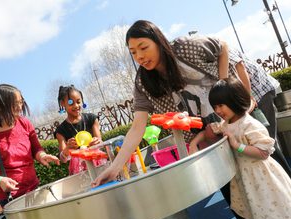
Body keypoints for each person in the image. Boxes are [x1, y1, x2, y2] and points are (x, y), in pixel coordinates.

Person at [92, 20, 232, 186]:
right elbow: (137, 127)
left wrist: (225, 89)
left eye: (143, 48)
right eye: (133, 52)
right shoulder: (143, 83)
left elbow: (222, 46)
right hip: (205, 136)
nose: (140, 56)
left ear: (158, 41)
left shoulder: (184, 48)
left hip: (233, 117)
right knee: (226, 184)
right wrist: (114, 168)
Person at [189, 78, 291, 219]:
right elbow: (208, 131)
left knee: (274, 211)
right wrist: (193, 143)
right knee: (260, 213)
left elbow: (264, 152)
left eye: (221, 105)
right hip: (247, 178)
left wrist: (238, 146)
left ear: (235, 100)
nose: (217, 111)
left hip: (261, 176)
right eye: (215, 106)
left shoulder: (249, 124)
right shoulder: (226, 124)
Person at [0, 84, 60, 205]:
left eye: (21, 102)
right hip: (7, 198)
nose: (20, 107)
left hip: (33, 188)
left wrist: (42, 156)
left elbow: (36, 148)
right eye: (14, 104)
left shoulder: (24, 123)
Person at [229, 48, 291, 177]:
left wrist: (248, 97)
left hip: (258, 93)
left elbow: (240, 66)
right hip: (249, 99)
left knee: (267, 141)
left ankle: (286, 178)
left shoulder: (217, 48)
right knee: (266, 141)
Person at [54, 85, 105, 175]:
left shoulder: (91, 119)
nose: (76, 106)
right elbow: (63, 159)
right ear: (63, 103)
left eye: (78, 102)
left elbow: (101, 143)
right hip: (79, 172)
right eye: (71, 103)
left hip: (99, 164)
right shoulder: (61, 130)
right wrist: (68, 148)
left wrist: (97, 142)